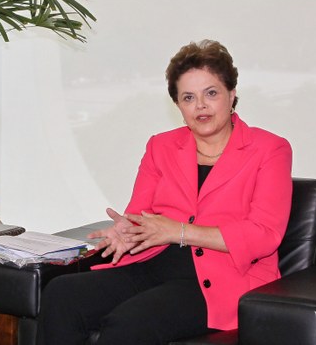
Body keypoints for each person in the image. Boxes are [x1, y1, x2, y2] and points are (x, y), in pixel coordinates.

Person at [37, 40, 293, 345]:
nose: (200, 106)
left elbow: (264, 235)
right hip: (152, 263)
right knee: (62, 294)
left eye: (211, 93)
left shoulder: (269, 150)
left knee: (129, 324)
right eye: (188, 97)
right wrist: (126, 231)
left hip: (221, 278)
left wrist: (179, 231)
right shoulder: (161, 146)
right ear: (178, 105)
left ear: (232, 95)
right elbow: (139, 214)